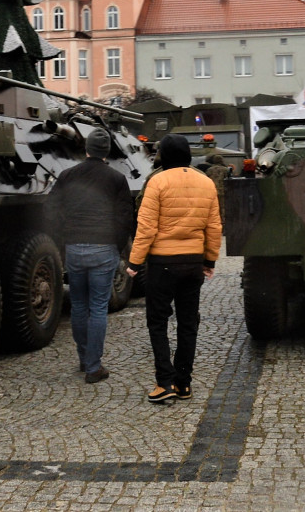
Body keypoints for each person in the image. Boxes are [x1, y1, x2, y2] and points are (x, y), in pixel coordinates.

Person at [126, 133, 222, 403]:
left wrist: (135, 262)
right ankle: (184, 384)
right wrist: (210, 260)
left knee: (157, 322)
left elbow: (146, 227)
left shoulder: (157, 182)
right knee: (188, 323)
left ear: (163, 157)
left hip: (162, 264)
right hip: (193, 264)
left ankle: (163, 383)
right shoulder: (206, 182)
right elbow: (214, 226)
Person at [45, 128, 134, 384]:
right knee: (97, 308)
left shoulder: (67, 175)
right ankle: (94, 368)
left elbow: (51, 209)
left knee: (79, 306)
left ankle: (84, 359)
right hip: (103, 248)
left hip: (74, 248)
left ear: (86, 149)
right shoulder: (117, 179)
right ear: (106, 152)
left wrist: (63, 239)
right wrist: (115, 247)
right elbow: (125, 218)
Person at [203, 154, 232, 223]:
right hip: (223, 191)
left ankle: (214, 221)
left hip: (212, 191)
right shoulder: (225, 170)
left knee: (213, 207)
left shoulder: (209, 170)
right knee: (222, 207)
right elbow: (229, 179)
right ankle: (223, 221)